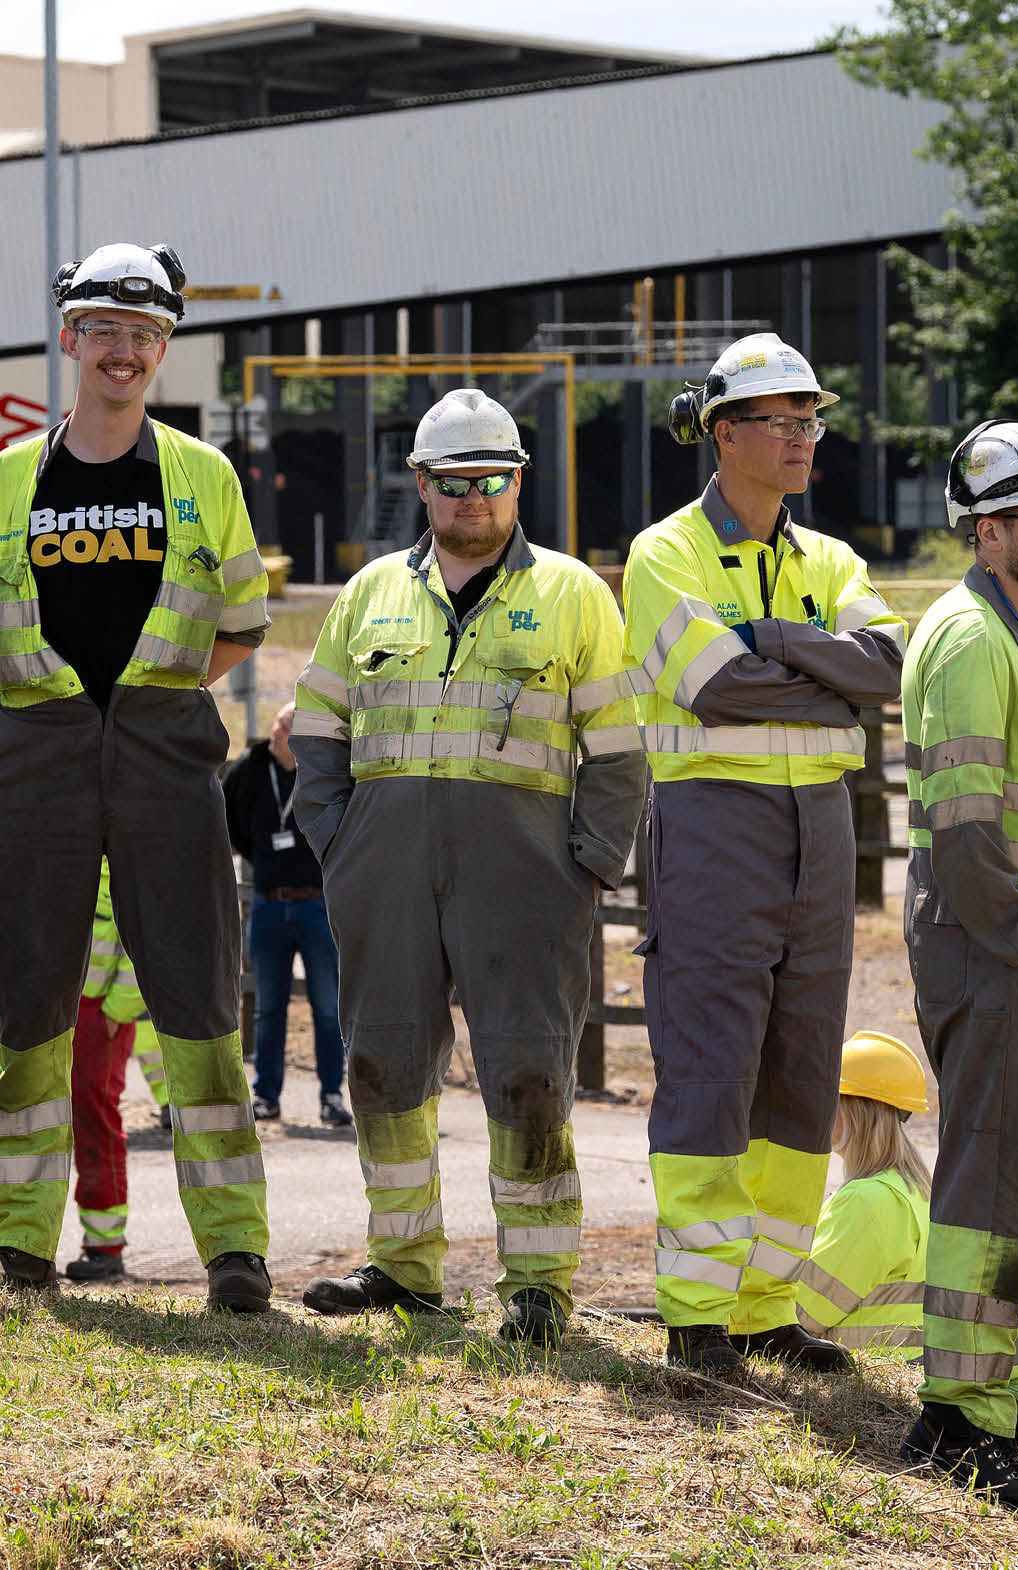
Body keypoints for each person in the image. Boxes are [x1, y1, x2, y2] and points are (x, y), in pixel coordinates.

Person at [292, 390, 648, 1346]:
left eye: (490, 481)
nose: (472, 500)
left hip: (526, 880)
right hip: (387, 874)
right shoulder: (367, 596)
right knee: (383, 1065)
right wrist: (342, 844)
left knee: (530, 1071)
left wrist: (588, 867)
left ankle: (536, 1282)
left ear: (518, 482)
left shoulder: (574, 593)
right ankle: (403, 1270)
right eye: (453, 484)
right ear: (422, 486)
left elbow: (618, 750)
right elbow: (318, 731)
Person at [0, 242, 273, 1311]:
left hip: (160, 762)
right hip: (36, 764)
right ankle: (24, 1249)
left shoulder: (201, 475)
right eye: (106, 332)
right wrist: (77, 716)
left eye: (145, 336)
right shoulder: (11, 479)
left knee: (196, 1009)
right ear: (71, 340)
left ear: (164, 347)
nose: (126, 352)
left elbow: (237, 622)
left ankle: (235, 1250)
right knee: (33, 1015)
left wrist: (150, 699)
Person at [625, 333, 907, 1376]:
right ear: (725, 432)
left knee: (798, 1068)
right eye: (782, 422)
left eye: (811, 420)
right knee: (709, 1065)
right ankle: (697, 1316)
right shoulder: (664, 555)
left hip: (820, 837)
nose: (803, 439)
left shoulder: (831, 559)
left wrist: (774, 640)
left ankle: (764, 1309)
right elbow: (714, 686)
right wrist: (809, 664)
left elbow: (884, 667)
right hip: (714, 827)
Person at [897, 420, 1018, 1521]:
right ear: (988, 527)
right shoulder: (973, 638)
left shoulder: (1016, 632)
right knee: (986, 1168)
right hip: (994, 940)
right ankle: (961, 1416)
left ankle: (994, 1381)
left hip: (1015, 939)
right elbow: (966, 822)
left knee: (1009, 1168)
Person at [223, 700, 348, 1127]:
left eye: (285, 728)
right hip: (269, 905)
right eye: (276, 725)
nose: (277, 733)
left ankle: (332, 1095)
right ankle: (266, 1096)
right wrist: (261, 854)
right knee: (268, 1007)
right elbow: (230, 819)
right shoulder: (251, 768)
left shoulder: (323, 772)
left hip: (317, 904)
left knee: (328, 1008)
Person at [793, 1031, 930, 1360]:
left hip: (867, 1379)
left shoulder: (866, 1202)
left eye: (830, 1099)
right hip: (907, 1376)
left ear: (855, 1109)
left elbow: (800, 1316)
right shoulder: (917, 1191)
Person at [65, 859, 156, 1283]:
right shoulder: (54, 858)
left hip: (97, 1017)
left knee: (95, 1124)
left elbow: (144, 946)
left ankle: (104, 1245)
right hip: (55, 1012)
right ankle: (25, 1246)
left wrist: (116, 1012)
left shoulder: (126, 871)